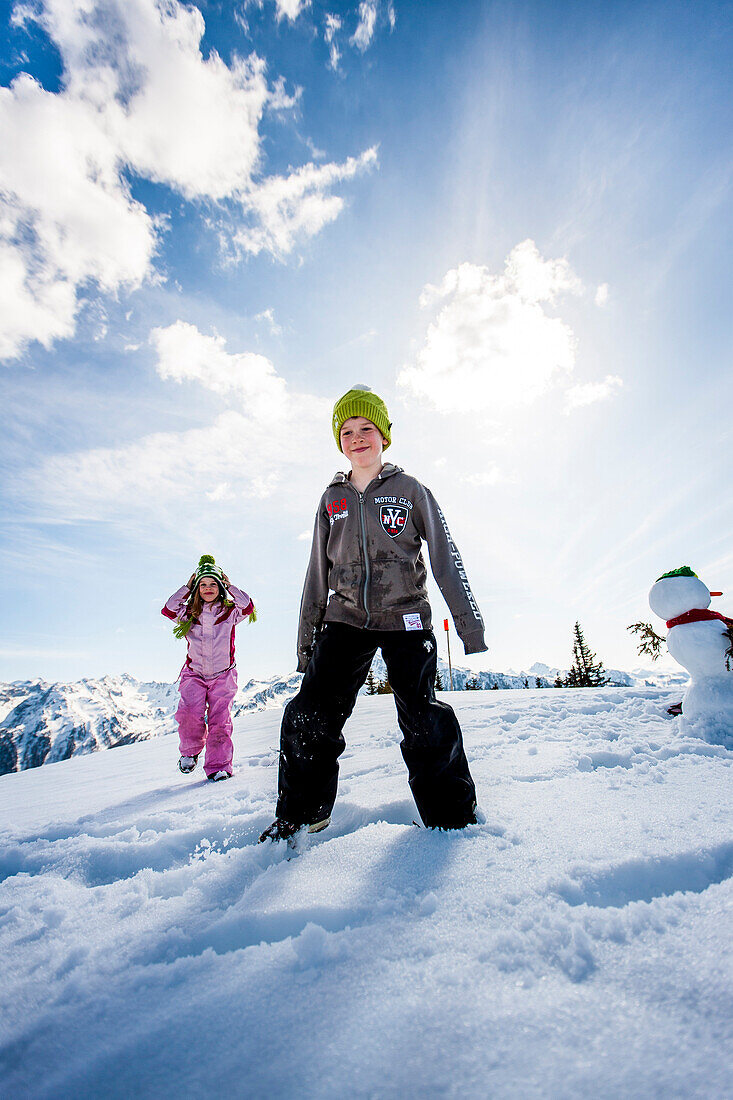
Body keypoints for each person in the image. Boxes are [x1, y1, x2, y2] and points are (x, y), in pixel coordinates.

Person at [259, 385, 487, 842]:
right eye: (347, 431)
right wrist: (306, 641)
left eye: (366, 428)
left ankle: (452, 819)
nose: (357, 438)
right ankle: (303, 816)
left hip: (405, 617)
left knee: (422, 717)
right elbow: (315, 574)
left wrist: (468, 625)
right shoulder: (332, 500)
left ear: (383, 434)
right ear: (338, 441)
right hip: (343, 619)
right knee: (308, 713)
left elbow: (445, 556)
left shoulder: (410, 490)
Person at [162, 554, 256, 781]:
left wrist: (229, 585)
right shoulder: (188, 614)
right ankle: (190, 751)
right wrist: (187, 587)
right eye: (203, 584)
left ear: (220, 586)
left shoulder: (229, 612)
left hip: (223, 676)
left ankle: (219, 766)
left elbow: (248, 606)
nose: (208, 588)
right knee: (188, 714)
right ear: (197, 588)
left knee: (220, 722)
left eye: (213, 584)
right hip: (194, 674)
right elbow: (169, 608)